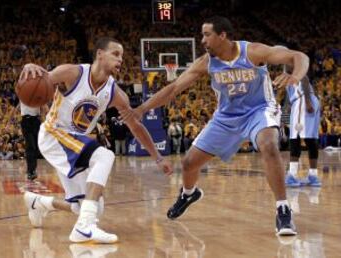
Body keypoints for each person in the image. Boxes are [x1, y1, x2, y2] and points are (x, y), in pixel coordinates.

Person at [121, 16, 309, 236]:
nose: (202, 40)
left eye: (207, 35)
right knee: (189, 163)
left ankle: (283, 209)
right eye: (202, 35)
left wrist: (295, 77)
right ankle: (188, 193)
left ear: (223, 35)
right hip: (225, 117)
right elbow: (173, 89)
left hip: (259, 110)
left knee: (268, 145)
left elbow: (299, 56)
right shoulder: (206, 63)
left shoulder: (252, 52)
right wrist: (141, 109)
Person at [21, 37, 173, 244]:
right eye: (116, 54)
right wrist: (30, 66)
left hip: (73, 142)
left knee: (89, 206)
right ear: (100, 54)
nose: (120, 60)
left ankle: (38, 203)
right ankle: (84, 228)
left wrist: (157, 157)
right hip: (54, 135)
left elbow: (136, 126)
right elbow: (40, 79)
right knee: (104, 156)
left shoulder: (116, 94)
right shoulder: (73, 73)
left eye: (122, 56)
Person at [277, 69, 322, 187]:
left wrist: (307, 102)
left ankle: (296, 175)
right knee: (309, 139)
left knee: (298, 139)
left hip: (304, 102)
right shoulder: (291, 78)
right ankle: (309, 176)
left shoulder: (298, 74)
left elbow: (305, 82)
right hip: (306, 102)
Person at [7, 102, 43, 180]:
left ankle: (32, 169)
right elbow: (14, 109)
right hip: (26, 121)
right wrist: (8, 123)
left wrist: (46, 119)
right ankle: (31, 171)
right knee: (31, 146)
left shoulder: (39, 91)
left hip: (36, 121)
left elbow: (44, 106)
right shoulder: (21, 92)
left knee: (36, 148)